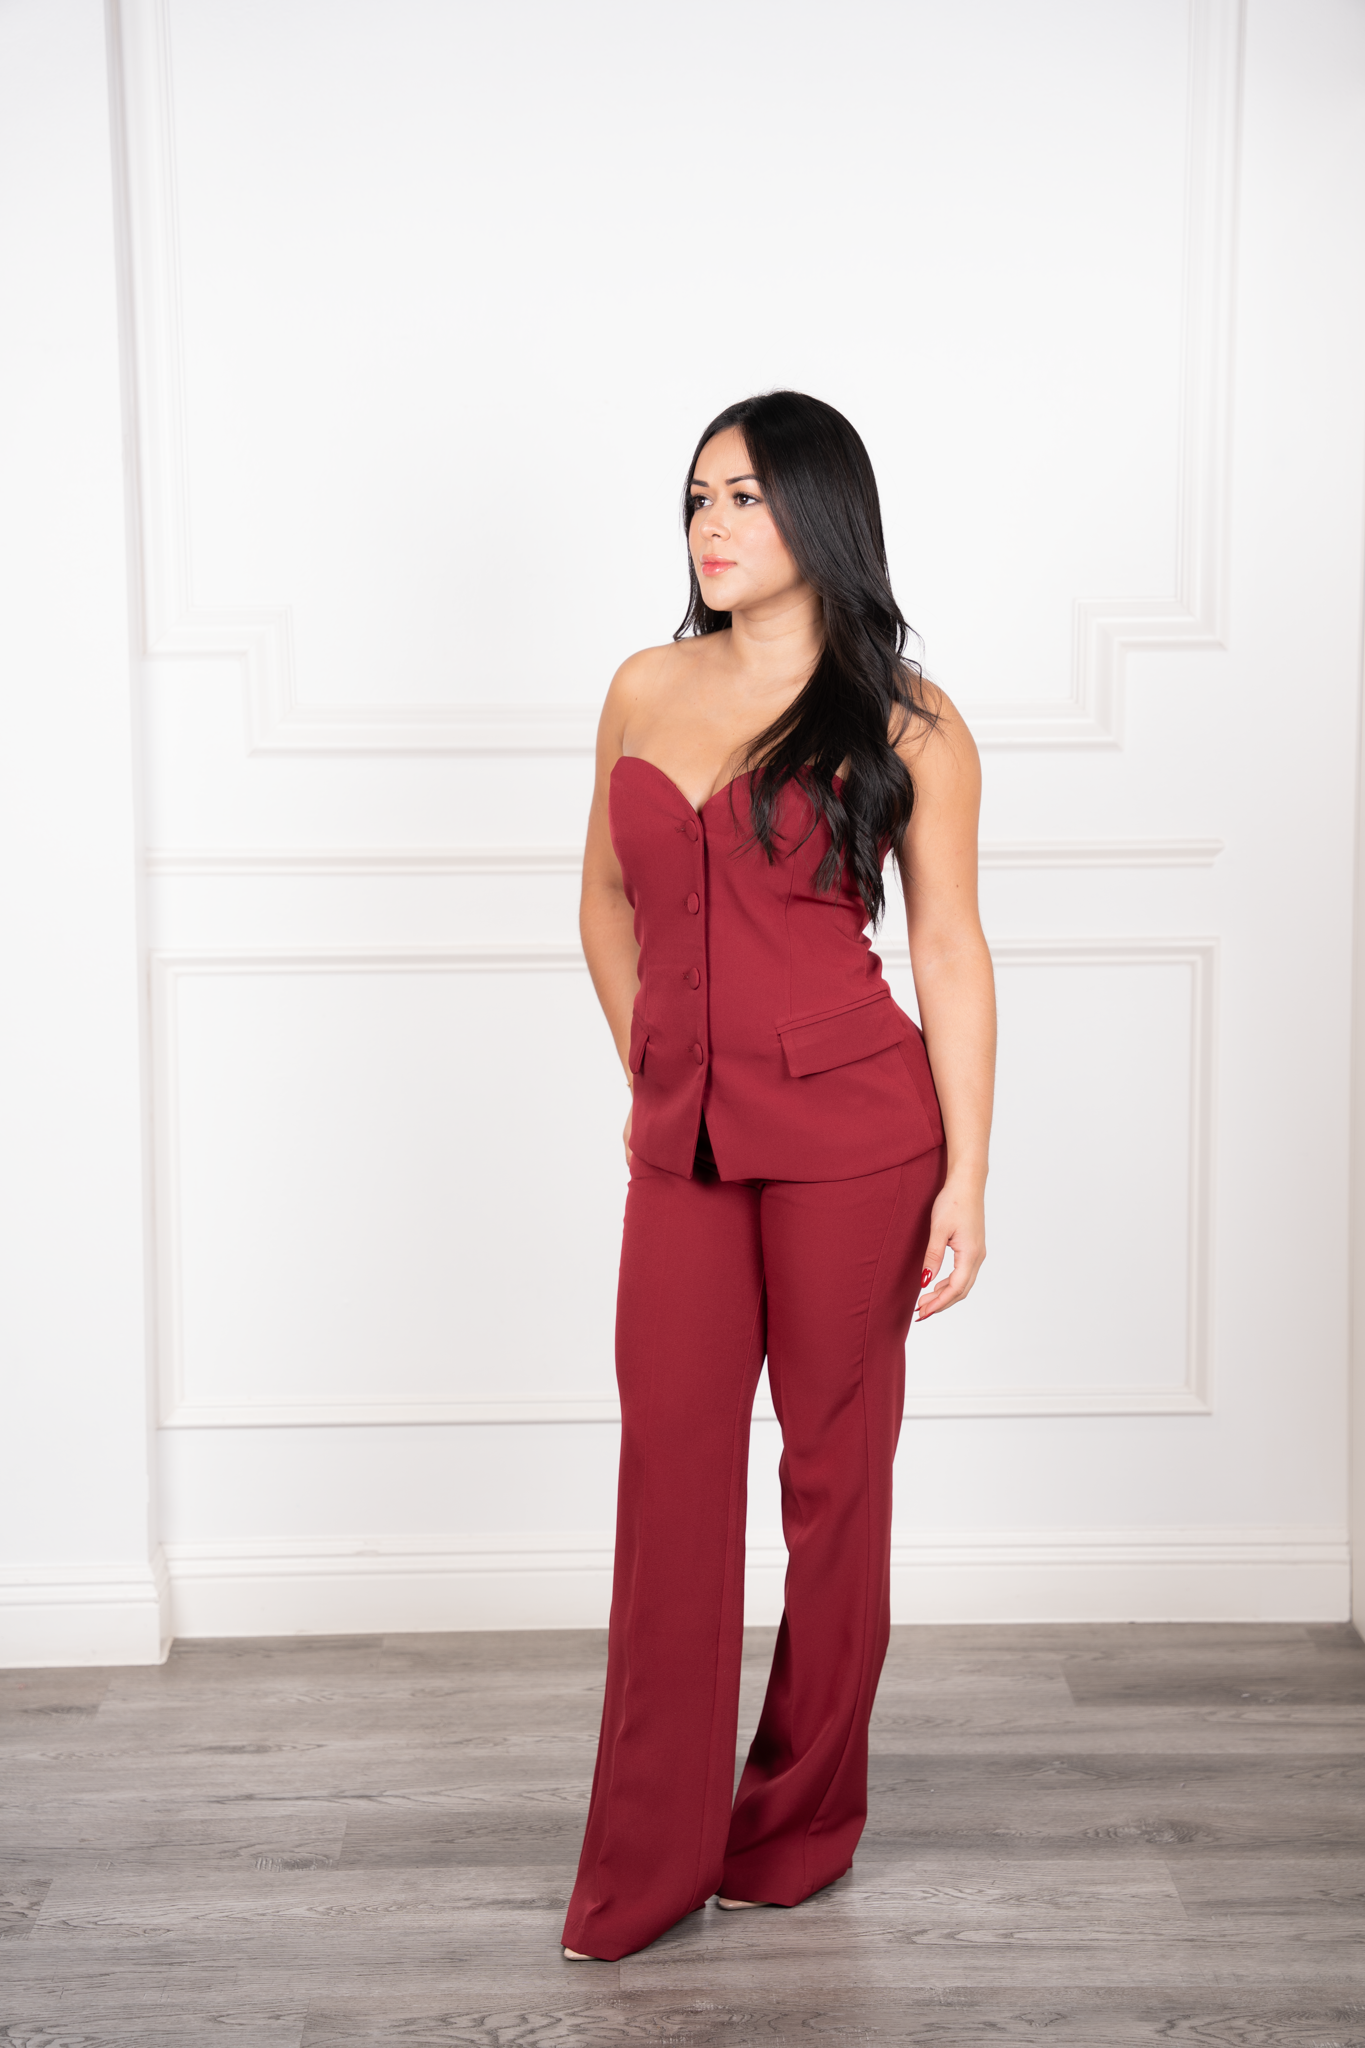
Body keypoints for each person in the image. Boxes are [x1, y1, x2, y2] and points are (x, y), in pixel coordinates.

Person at [562, 390, 995, 1961]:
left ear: (821, 512)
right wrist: (656, 1065)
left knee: (834, 1488)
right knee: (670, 1485)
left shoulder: (912, 722)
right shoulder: (642, 684)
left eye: (744, 496)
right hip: (683, 1147)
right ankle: (645, 1864)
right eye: (697, 498)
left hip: (859, 1145)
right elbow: (603, 904)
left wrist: (969, 1176)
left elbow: (947, 948)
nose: (712, 525)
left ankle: (799, 1827)